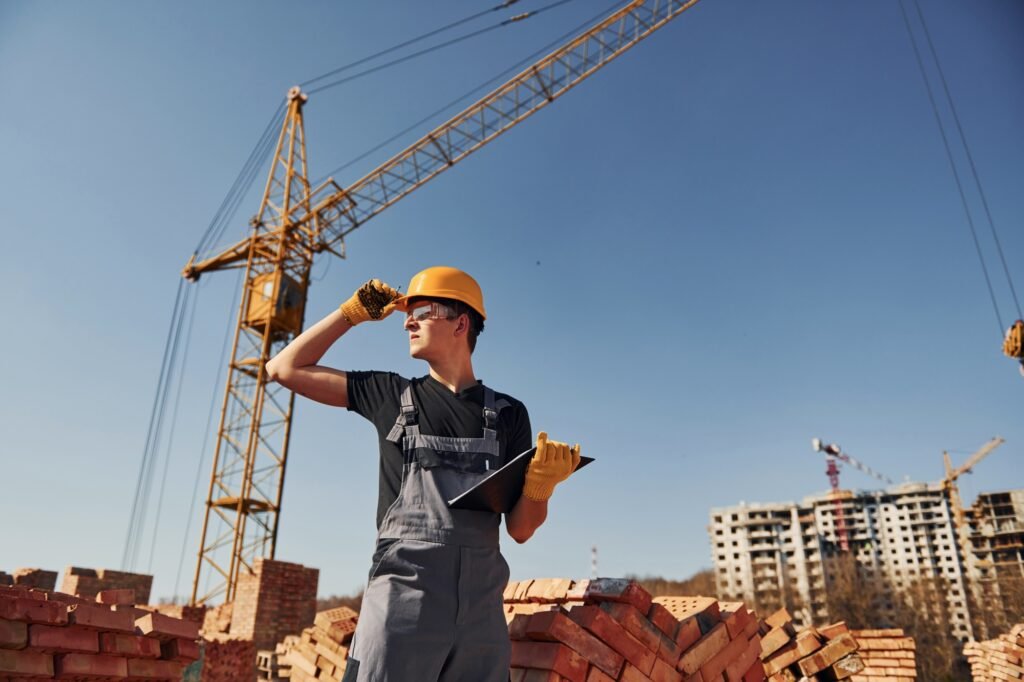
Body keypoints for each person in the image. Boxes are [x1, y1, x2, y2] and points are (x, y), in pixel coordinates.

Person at [265, 265, 581, 681]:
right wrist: (349, 314)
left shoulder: (508, 414)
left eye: (423, 310)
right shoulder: (390, 395)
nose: (408, 322)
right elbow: (283, 368)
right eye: (406, 314)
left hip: (481, 615)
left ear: (461, 322)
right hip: (401, 604)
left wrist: (540, 487)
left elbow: (520, 530)